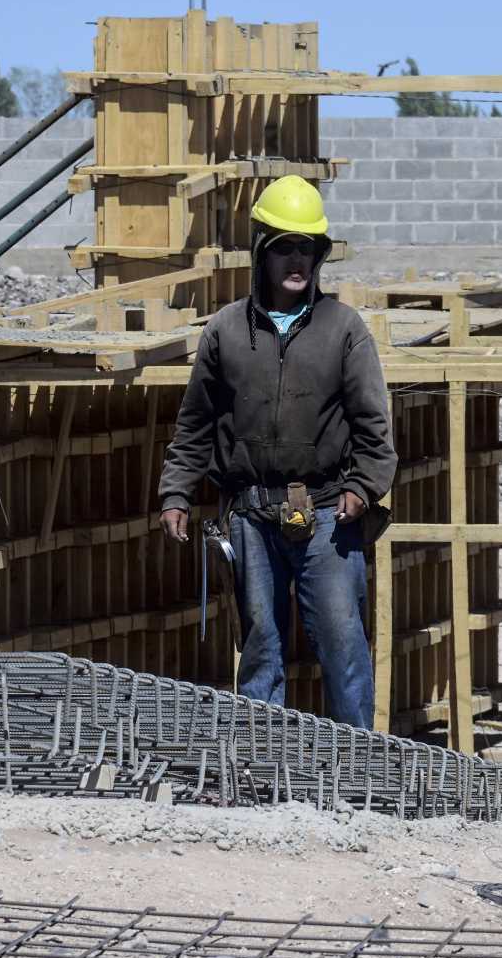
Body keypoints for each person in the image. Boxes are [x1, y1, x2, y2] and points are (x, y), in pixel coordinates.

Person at [157, 175, 396, 728]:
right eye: (285, 246)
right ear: (262, 251)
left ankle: (360, 770)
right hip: (249, 516)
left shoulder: (344, 330)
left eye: (307, 248)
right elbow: (194, 423)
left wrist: (363, 487)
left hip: (327, 514)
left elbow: (373, 428)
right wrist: (176, 492)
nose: (297, 259)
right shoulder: (225, 332)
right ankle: (263, 773)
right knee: (261, 647)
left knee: (342, 644)